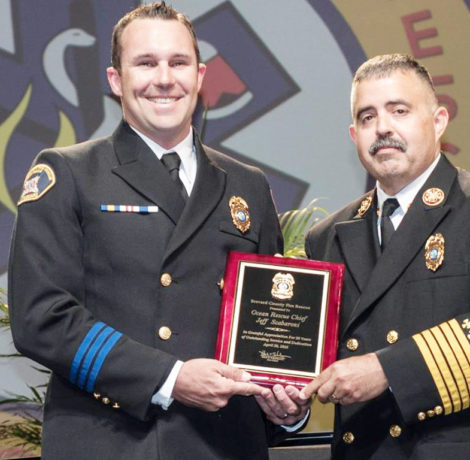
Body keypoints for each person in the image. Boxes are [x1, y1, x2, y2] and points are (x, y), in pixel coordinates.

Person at [8, 3, 308, 459]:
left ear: (200, 76)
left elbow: (265, 328)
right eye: (146, 63)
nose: (164, 78)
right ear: (115, 80)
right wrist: (170, 378)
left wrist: (282, 404)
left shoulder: (246, 184)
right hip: (114, 440)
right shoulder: (69, 173)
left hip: (224, 444)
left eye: (178, 62)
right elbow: (40, 317)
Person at [300, 54, 470, 459]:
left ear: (438, 121)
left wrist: (387, 370)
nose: (382, 127)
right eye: (367, 117)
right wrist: (283, 397)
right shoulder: (327, 236)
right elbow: (308, 355)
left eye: (399, 110)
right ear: (354, 135)